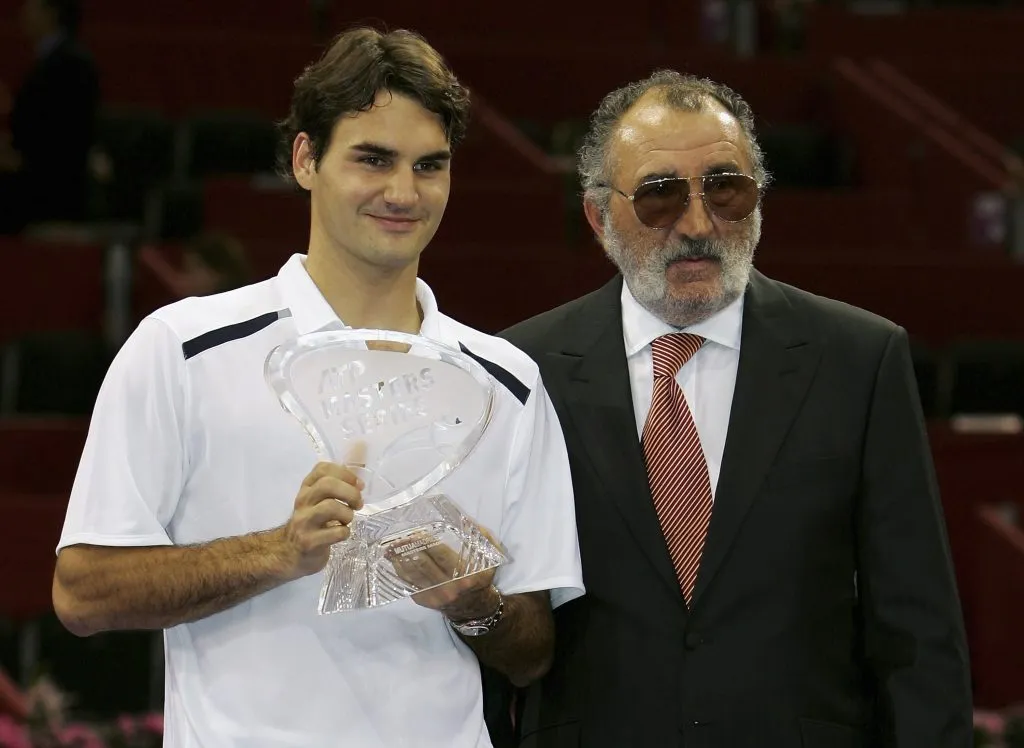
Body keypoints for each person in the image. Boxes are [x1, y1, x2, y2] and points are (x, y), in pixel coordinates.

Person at [52, 27, 583, 748]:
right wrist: (279, 551)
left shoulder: (507, 384)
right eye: (373, 159)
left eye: (430, 166)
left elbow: (534, 652)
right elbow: (83, 592)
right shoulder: (182, 349)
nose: (404, 192)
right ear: (305, 159)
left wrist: (473, 603)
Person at [500, 70, 972, 747]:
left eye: (725, 189)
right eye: (660, 197)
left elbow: (917, 629)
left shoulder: (858, 359)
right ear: (599, 218)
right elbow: (498, 629)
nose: (698, 225)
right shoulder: (523, 368)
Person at [0, 0, 99, 234]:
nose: (24, 12)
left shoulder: (71, 64)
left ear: (52, 13)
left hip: (50, 188)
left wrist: (16, 156)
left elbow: (63, 135)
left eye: (32, 5)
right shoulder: (51, 61)